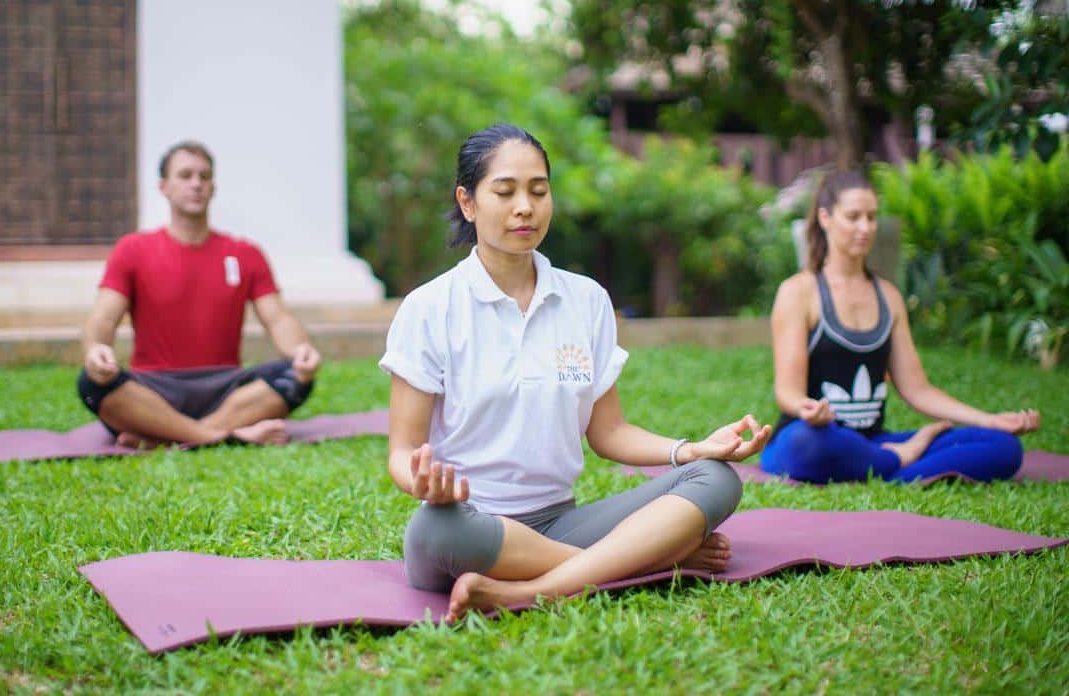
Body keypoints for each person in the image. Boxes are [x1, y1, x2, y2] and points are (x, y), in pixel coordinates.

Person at [380, 123, 771, 622]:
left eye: (538, 191)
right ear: (468, 202)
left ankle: (526, 590)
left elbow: (608, 432)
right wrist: (421, 485)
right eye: (505, 191)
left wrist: (690, 450)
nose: (525, 206)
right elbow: (401, 451)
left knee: (715, 478)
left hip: (562, 524)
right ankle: (645, 563)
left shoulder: (585, 300)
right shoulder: (430, 308)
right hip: (471, 524)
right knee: (436, 532)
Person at [763, 168, 1039, 483]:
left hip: (870, 442)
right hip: (812, 440)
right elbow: (787, 393)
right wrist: (807, 409)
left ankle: (885, 464)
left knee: (1003, 447)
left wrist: (989, 421)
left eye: (871, 217)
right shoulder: (798, 292)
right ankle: (902, 458)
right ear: (825, 218)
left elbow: (917, 389)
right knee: (809, 442)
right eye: (853, 217)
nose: (865, 228)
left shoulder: (889, 297)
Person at [77, 140, 322, 449]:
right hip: (152, 390)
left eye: (204, 177)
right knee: (91, 383)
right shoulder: (132, 250)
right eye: (185, 175)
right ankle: (220, 436)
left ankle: (164, 437)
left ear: (213, 187)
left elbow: (278, 318)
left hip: (225, 391)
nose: (196, 184)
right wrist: (95, 350)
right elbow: (104, 317)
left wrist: (301, 351)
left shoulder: (245, 253)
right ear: (164, 186)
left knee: (293, 376)